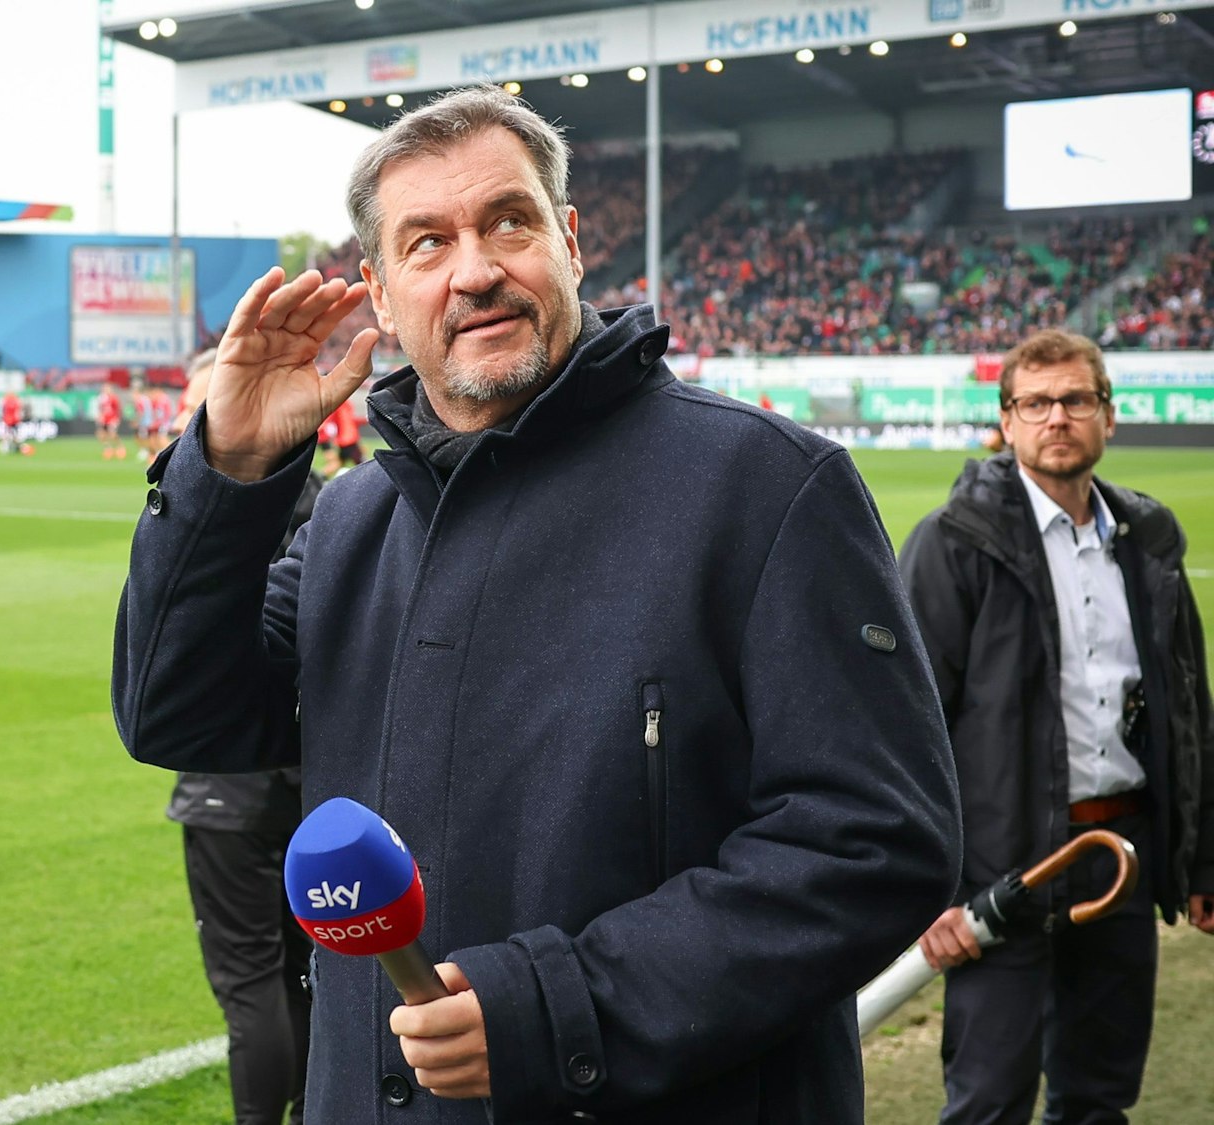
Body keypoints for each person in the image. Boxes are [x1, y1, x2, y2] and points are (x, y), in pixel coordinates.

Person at [112, 86, 960, 1122]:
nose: (473, 270)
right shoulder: (350, 523)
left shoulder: (763, 486)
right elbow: (172, 712)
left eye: (505, 221)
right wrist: (227, 470)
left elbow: (871, 842)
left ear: (565, 240)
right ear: (380, 296)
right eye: (426, 244)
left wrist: (560, 1007)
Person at [898, 328, 1214, 1125]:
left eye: (1076, 399)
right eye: (1035, 403)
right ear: (1006, 422)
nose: (1057, 417)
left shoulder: (1151, 540)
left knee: (1099, 1101)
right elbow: (907, 727)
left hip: (1120, 862)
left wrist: (1201, 853)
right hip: (1003, 871)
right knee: (988, 1104)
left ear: (1109, 414)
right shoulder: (952, 544)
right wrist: (930, 890)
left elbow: (1188, 711)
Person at [170, 468, 323, 1125]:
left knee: (253, 982)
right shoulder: (328, 500)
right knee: (304, 974)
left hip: (231, 792)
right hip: (308, 782)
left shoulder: (225, 507)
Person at [96, 383, 124, 460]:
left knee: (112, 434)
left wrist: (117, 418)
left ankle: (120, 447)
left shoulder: (113, 398)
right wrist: (99, 416)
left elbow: (118, 409)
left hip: (112, 419)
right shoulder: (101, 398)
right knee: (101, 435)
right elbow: (100, 409)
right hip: (104, 419)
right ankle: (108, 448)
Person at [0, 388, 25, 454]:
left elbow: (2, 410)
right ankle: (15, 447)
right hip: (13, 420)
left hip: (8, 420)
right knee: (14, 435)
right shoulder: (16, 400)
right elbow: (19, 411)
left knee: (9, 434)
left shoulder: (5, 400)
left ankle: (9, 447)